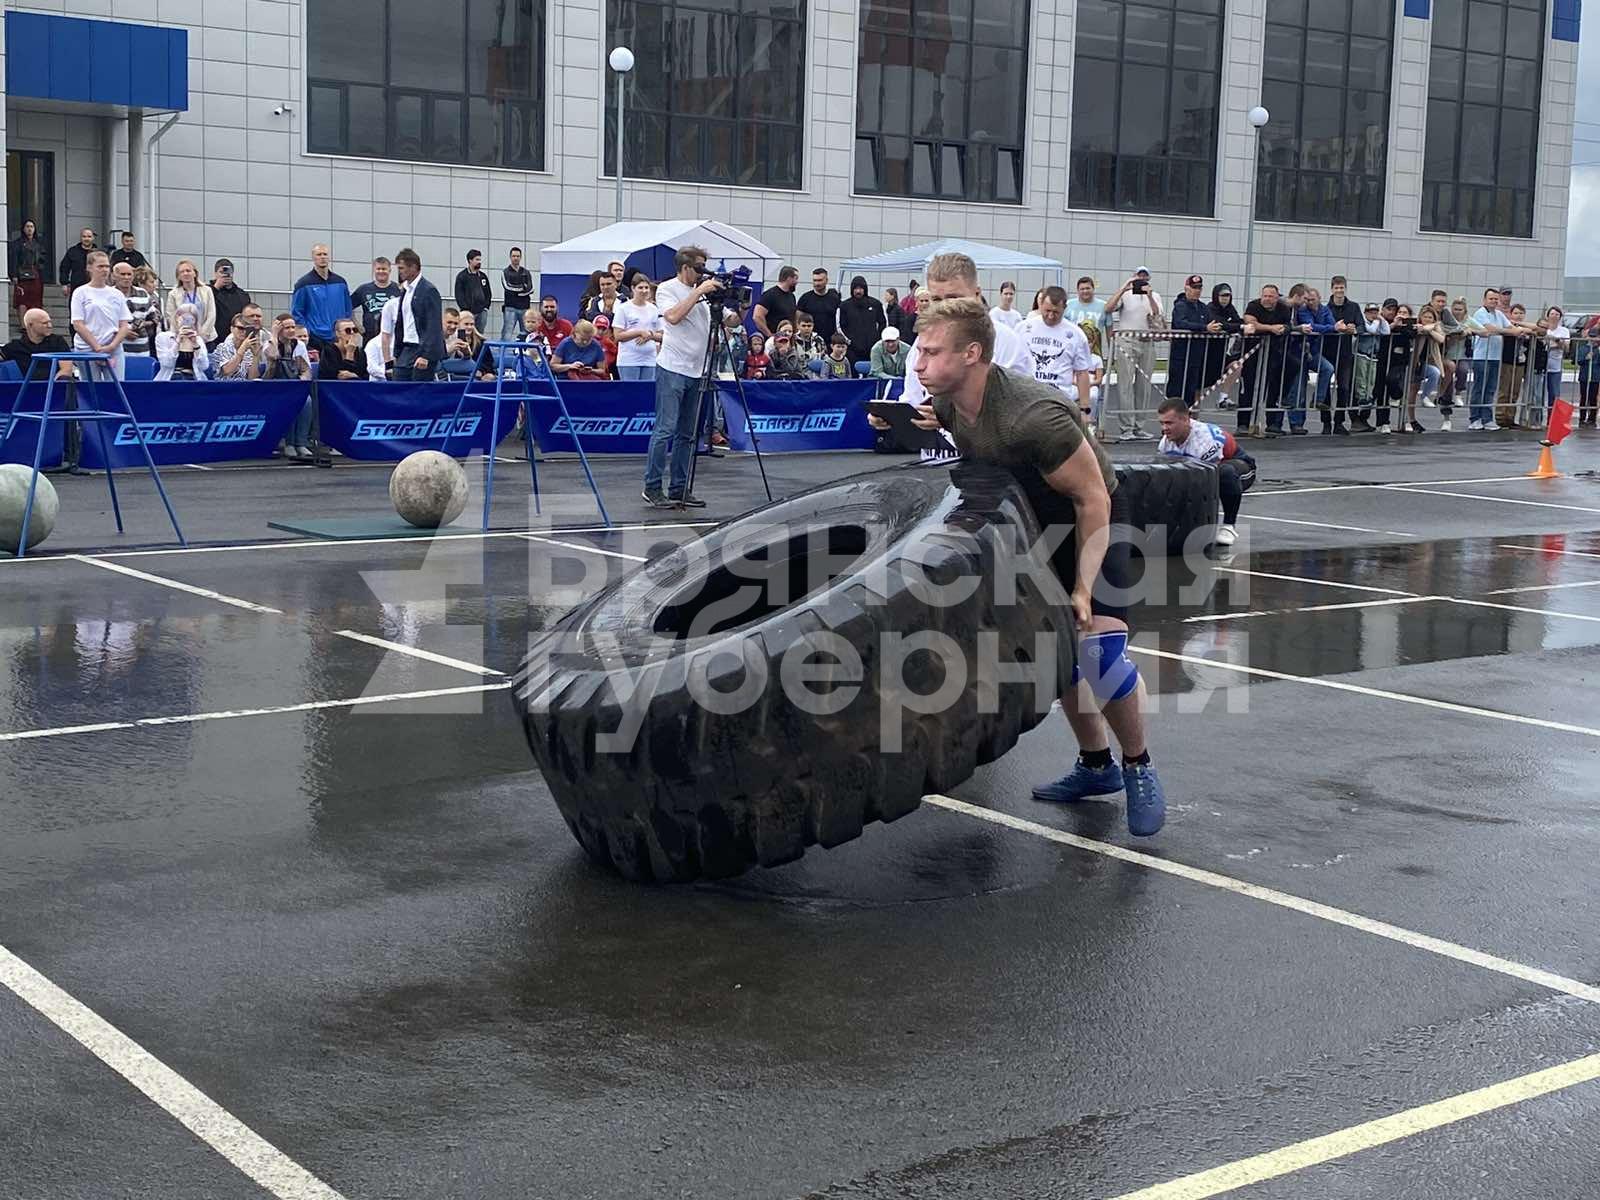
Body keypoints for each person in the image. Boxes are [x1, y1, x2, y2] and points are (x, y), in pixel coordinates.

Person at [906, 297, 1166, 836]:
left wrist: (1083, 588)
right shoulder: (954, 405)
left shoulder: (1034, 415)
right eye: (920, 352)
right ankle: (1096, 767)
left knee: (1097, 648)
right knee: (1056, 652)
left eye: (931, 353)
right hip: (1036, 525)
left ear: (972, 354)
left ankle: (1138, 765)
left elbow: (1094, 499)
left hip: (1098, 518)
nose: (917, 364)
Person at [643, 244, 722, 509]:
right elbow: (673, 317)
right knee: (665, 429)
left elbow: (730, 321)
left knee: (687, 434)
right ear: (685, 267)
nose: (702, 273)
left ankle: (679, 487)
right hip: (673, 367)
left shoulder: (704, 295)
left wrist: (736, 304)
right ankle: (652, 487)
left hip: (697, 369)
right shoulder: (667, 289)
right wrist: (699, 292)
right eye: (698, 267)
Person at [1157, 397, 1256, 547]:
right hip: (1201, 469)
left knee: (1224, 474)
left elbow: (1203, 482)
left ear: (1185, 420)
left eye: (1169, 423)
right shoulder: (1165, 443)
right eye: (1162, 423)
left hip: (1239, 467)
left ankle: (1229, 526)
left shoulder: (1206, 440)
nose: (1164, 428)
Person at [2, 308, 79, 472]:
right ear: (31, 325)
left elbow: (65, 369)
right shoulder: (14, 347)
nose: (50, 325)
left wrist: (51, 386)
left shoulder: (57, 342)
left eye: (50, 321)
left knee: (68, 382)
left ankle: (71, 457)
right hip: (27, 393)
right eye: (45, 323)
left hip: (56, 390)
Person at [1104, 267, 1163, 440]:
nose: (1141, 280)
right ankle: (1126, 427)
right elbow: (1108, 308)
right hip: (1127, 341)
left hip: (1147, 342)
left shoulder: (1156, 295)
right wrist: (1125, 287)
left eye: (1144, 277)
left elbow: (1157, 314)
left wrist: (1149, 295)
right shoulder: (1125, 294)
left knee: (1143, 386)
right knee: (1125, 385)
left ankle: (1139, 426)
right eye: (1139, 277)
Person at [1019, 286, 1093, 406]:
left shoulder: (1076, 334)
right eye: (1047, 311)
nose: (1051, 316)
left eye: (1056, 312)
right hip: (1027, 399)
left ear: (1064, 309)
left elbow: (1082, 373)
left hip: (1059, 401)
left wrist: (1085, 409)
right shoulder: (1023, 328)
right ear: (1040, 304)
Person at [70, 250, 131, 379]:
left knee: (116, 387)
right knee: (91, 388)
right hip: (87, 348)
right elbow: (78, 324)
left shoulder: (116, 294)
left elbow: (124, 324)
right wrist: (97, 348)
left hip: (113, 348)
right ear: (89, 268)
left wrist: (112, 345)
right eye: (100, 266)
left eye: (107, 266)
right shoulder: (80, 292)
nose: (104, 270)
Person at [1240, 284, 1291, 435]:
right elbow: (1250, 322)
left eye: (1271, 296)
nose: (1267, 299)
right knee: (1249, 388)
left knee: (1275, 385)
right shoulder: (1253, 306)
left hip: (1275, 353)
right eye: (1265, 296)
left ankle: (1273, 423)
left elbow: (1288, 325)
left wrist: (1283, 329)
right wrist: (1271, 328)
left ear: (1277, 298)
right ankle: (1243, 423)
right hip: (1252, 353)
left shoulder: (1283, 309)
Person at [391, 248, 445, 383]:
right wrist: (397, 352)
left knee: (418, 391)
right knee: (398, 383)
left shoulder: (428, 290)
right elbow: (401, 322)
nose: (400, 272)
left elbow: (433, 325)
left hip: (422, 349)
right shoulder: (406, 290)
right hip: (407, 347)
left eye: (402, 268)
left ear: (413, 267)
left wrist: (426, 355)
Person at [291, 243, 353, 357]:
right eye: (319, 254)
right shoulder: (303, 284)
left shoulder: (340, 282)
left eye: (325, 254)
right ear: (313, 258)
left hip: (338, 337)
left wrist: (345, 330)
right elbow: (297, 312)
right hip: (316, 339)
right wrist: (308, 333)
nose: (322, 257)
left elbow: (348, 309)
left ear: (329, 257)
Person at [1465, 289, 1511, 430]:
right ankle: (1475, 418)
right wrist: (1507, 331)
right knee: (1479, 388)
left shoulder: (1499, 314)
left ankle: (1487, 418)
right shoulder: (1480, 313)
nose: (1494, 301)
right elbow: (1490, 329)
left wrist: (1514, 330)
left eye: (1496, 299)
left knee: (1490, 389)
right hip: (1482, 357)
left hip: (1495, 357)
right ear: (1484, 300)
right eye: (1491, 299)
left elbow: (1510, 327)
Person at [1166, 274, 1212, 409]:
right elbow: (1181, 323)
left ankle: (1188, 420)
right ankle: (1171, 417)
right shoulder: (1180, 306)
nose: (1197, 290)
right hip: (1180, 354)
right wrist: (1204, 328)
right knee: (1176, 388)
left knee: (1191, 389)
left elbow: (1212, 322)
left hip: (1196, 354)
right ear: (1187, 288)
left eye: (1199, 288)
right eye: (1194, 287)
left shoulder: (1203, 307)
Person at [1199, 283, 1243, 405]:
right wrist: (1239, 326)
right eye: (1222, 295)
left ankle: (1223, 397)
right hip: (1206, 355)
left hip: (1221, 354)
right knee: (1197, 391)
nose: (1225, 298)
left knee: (1236, 366)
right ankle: (1191, 418)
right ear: (1216, 296)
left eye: (1228, 295)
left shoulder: (1230, 309)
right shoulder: (1209, 308)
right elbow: (1220, 324)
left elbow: (1237, 322)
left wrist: (1242, 325)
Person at [1406, 305, 1447, 434]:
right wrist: (1424, 329)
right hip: (1411, 362)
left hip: (1422, 363)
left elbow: (1441, 338)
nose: (1427, 319)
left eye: (1430, 317)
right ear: (1420, 317)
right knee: (1410, 392)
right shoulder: (1416, 327)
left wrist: (1429, 330)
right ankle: (1409, 420)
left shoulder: (1433, 328)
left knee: (1435, 373)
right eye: (1425, 317)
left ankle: (1425, 396)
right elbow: (1416, 331)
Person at [614, 275, 663, 381]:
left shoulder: (654, 309)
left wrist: (650, 335)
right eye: (640, 288)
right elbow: (617, 336)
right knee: (631, 395)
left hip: (650, 360)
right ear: (633, 288)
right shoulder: (623, 308)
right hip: (629, 361)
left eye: (646, 288)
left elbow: (661, 335)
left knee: (647, 394)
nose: (644, 291)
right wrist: (639, 332)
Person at [1496, 301, 1536, 429]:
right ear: (1510, 314)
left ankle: (1510, 418)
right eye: (1516, 313)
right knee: (1505, 390)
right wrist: (1517, 329)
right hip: (1507, 361)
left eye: (1521, 313)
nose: (1518, 315)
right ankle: (1500, 417)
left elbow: (1536, 329)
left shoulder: (1524, 327)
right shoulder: (1507, 325)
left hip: (1520, 362)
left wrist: (1521, 326)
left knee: (1515, 391)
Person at [164, 259, 217, 345]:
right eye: (182, 272)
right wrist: (183, 334)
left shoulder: (207, 290)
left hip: (205, 339)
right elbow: (172, 317)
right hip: (183, 339)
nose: (185, 273)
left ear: (195, 273)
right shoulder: (173, 294)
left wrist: (201, 335)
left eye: (188, 270)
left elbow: (211, 315)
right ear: (178, 276)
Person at [153, 304, 212, 380]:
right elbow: (166, 363)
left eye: (190, 320)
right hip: (170, 380)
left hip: (193, 381)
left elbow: (204, 366)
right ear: (177, 319)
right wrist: (177, 342)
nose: (186, 322)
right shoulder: (163, 337)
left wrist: (195, 345)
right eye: (184, 319)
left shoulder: (198, 340)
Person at [1533, 306, 1570, 430]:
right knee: (1537, 395)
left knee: (1554, 394)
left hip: (1555, 366)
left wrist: (1556, 341)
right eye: (1552, 314)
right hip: (1541, 366)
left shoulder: (1564, 330)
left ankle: (1552, 421)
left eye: (1557, 314)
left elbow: (1566, 347)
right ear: (1548, 315)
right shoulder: (1543, 328)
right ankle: (1537, 420)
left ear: (1560, 317)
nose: (1554, 316)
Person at [838, 275, 886, 366]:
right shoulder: (844, 306)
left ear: (865, 289)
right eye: (855, 288)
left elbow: (883, 323)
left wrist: (878, 341)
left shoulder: (876, 304)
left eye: (861, 288)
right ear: (852, 289)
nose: (858, 291)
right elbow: (840, 327)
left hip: (873, 350)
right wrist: (850, 342)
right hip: (852, 351)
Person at [352, 257, 401, 345]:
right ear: (374, 270)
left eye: (384, 269)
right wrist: (358, 327)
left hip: (393, 339)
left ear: (389, 270)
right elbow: (347, 307)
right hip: (370, 339)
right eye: (378, 269)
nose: (381, 271)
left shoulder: (399, 290)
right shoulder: (364, 289)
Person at [113, 262, 157, 358]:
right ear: (114, 276)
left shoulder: (143, 294)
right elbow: (103, 323)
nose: (126, 277)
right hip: (116, 350)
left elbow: (155, 318)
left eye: (129, 274)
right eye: (123, 274)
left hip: (142, 350)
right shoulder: (109, 295)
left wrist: (144, 324)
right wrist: (123, 332)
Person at [209, 260, 252, 352]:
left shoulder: (242, 295)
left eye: (228, 272)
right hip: (213, 341)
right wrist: (216, 287)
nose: (226, 275)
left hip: (237, 341)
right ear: (215, 274)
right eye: (222, 272)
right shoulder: (207, 292)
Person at [10, 219, 47, 324]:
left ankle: (34, 323)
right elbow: (14, 260)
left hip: (36, 274)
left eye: (32, 227)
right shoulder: (17, 243)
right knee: (22, 300)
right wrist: (14, 275)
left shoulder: (39, 243)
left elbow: (43, 259)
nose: (30, 229)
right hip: (22, 274)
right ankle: (23, 325)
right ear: (23, 229)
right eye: (27, 226)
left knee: (35, 300)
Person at [213, 312, 265, 381]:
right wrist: (242, 349)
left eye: (246, 329)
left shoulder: (249, 350)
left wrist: (255, 356)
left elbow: (252, 377)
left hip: (244, 388)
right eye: (240, 328)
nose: (243, 331)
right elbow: (227, 371)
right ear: (232, 329)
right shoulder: (222, 347)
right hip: (225, 387)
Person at [796, 268, 841, 343]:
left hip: (830, 341)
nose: (817, 283)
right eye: (815, 280)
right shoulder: (805, 298)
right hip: (810, 342)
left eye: (820, 280)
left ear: (826, 280)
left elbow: (839, 320)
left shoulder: (835, 298)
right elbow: (797, 321)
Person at [754, 266, 800, 338]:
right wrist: (770, 335)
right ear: (789, 278)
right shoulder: (770, 295)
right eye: (796, 278)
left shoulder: (792, 296)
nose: (797, 282)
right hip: (773, 342)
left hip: (787, 340)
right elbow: (757, 316)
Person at [501, 247, 533, 342]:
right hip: (510, 307)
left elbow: (531, 289)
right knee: (507, 332)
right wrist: (522, 289)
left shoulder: (526, 272)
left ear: (521, 257)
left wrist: (518, 291)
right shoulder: (505, 272)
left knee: (526, 332)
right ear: (510, 257)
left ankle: (526, 353)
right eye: (514, 256)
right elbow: (507, 287)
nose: (516, 258)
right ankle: (503, 354)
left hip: (524, 308)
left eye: (518, 256)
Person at [1577, 313, 1600, 429]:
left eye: (1595, 336)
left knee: (1593, 398)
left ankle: (1592, 418)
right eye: (1591, 336)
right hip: (1584, 376)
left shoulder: (1598, 350)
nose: (1593, 339)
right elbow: (1579, 361)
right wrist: (1586, 357)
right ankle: (1582, 418)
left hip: (1595, 377)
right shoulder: (1583, 348)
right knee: (1583, 397)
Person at [59, 228, 97, 298]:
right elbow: (64, 268)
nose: (86, 239)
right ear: (81, 238)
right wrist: (64, 283)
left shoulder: (98, 253)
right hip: (76, 286)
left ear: (93, 238)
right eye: (84, 236)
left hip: (94, 287)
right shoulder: (72, 251)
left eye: (89, 236)